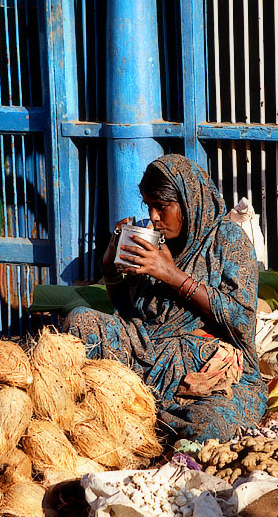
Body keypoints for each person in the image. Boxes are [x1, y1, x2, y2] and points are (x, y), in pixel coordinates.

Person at [64, 154, 266, 442]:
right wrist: (111, 267)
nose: (155, 217)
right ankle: (136, 409)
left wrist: (172, 275)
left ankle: (146, 415)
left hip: (203, 366)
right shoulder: (156, 241)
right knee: (80, 321)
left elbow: (241, 317)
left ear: (187, 202)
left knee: (208, 425)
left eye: (162, 207)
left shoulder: (227, 239)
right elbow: (128, 310)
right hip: (147, 350)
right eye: (149, 206)